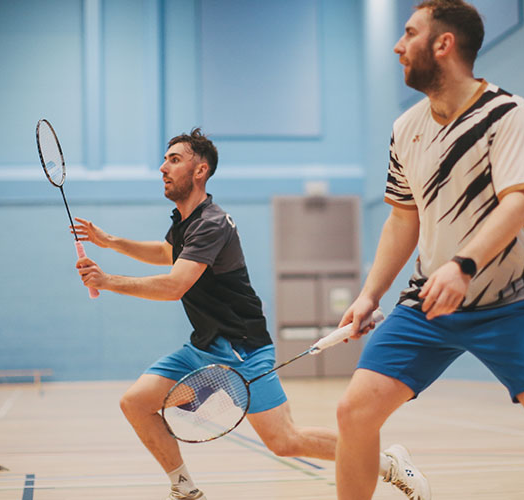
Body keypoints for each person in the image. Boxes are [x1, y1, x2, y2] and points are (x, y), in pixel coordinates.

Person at [334, 1, 524, 499]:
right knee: (353, 412)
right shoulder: (406, 129)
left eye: (410, 33)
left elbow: (517, 204)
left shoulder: (507, 114)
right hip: (428, 305)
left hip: (507, 304)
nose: (398, 46)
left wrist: (463, 266)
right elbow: (403, 218)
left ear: (443, 44)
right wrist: (370, 294)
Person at [74, 128, 429, 500]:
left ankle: (388, 463)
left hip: (241, 348)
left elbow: (174, 285)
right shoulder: (185, 222)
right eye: (165, 160)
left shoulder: (211, 223)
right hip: (203, 347)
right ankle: (184, 488)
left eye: (174, 160)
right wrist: (111, 242)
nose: (163, 167)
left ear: (200, 170)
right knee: (135, 402)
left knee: (285, 440)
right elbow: (166, 253)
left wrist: (108, 280)